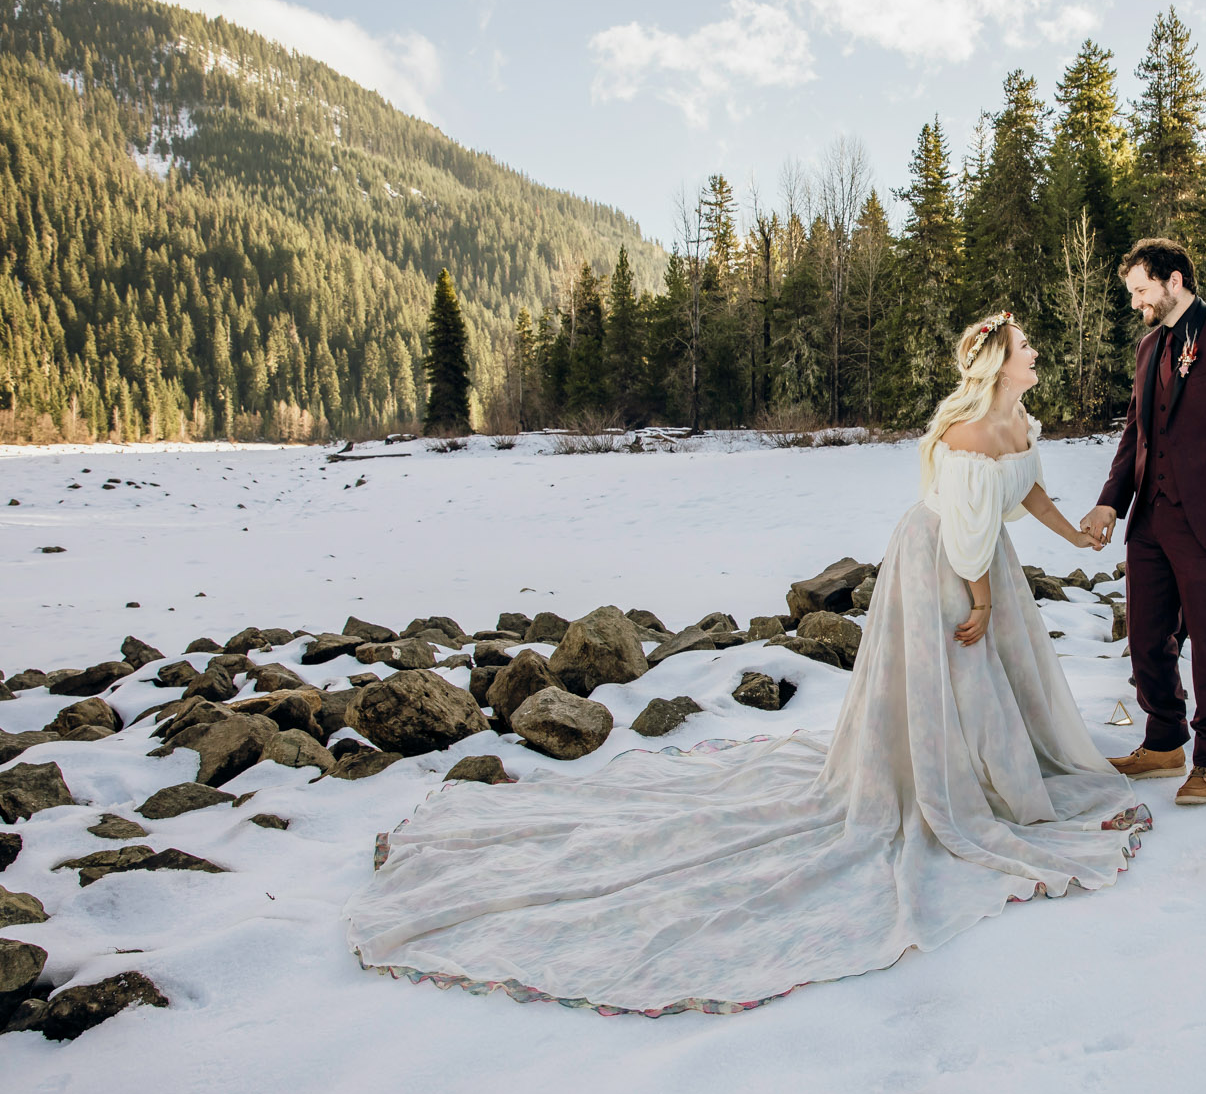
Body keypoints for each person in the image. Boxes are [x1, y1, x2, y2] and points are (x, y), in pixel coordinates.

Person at [345, 314, 1149, 1018]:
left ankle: (998, 766)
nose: (1036, 353)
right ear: (996, 361)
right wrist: (979, 602)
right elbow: (970, 527)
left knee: (994, 678)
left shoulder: (1018, 423)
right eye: (1026, 347)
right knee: (955, 672)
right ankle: (951, 780)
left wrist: (1075, 533)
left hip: (981, 558)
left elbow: (1025, 491)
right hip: (944, 561)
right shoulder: (967, 435)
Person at [1080, 239, 1206, 807]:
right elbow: (1134, 436)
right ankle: (1164, 739)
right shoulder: (1148, 347)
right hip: (1149, 517)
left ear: (1173, 280)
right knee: (1146, 636)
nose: (1136, 301)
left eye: (1141, 290)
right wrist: (1109, 503)